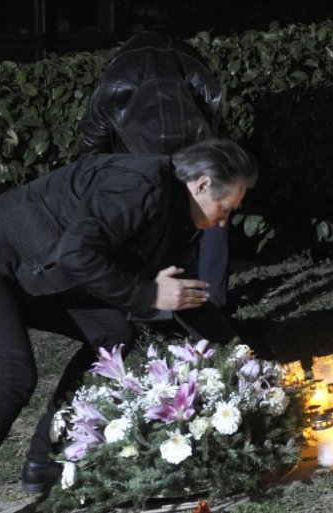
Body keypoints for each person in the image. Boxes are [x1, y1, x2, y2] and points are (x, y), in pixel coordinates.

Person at [0, 138, 257, 513]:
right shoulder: (140, 185)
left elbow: (190, 299)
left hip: (37, 273)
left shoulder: (178, 216)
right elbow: (76, 254)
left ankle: (45, 458)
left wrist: (245, 358)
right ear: (201, 184)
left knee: (112, 336)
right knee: (12, 375)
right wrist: (150, 292)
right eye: (225, 208)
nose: (223, 221)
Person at [78, 31, 233, 309]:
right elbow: (214, 113)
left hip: (176, 147)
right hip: (166, 147)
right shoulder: (119, 86)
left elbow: (91, 143)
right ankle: (201, 304)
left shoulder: (116, 84)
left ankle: (201, 305)